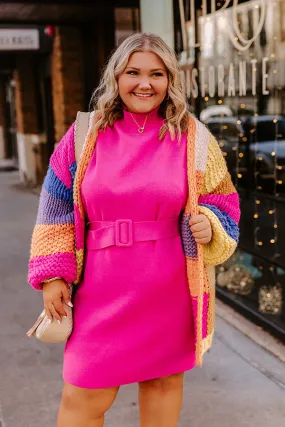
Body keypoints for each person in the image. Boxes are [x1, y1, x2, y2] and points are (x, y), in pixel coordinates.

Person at [28, 33, 240, 427]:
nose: (145, 83)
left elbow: (223, 201)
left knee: (161, 387)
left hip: (168, 285)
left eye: (156, 74)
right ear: (117, 77)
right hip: (98, 287)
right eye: (134, 72)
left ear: (170, 80)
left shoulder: (194, 138)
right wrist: (53, 275)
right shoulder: (84, 134)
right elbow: (54, 203)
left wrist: (209, 225)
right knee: (82, 396)